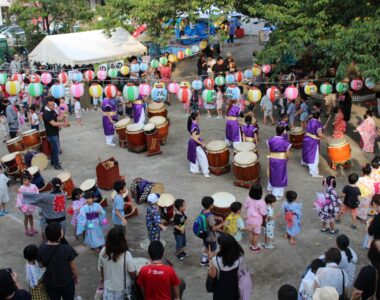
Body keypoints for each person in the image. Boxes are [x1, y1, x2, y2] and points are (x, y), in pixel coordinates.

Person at [37, 222, 79, 300]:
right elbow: (73, 267)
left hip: (51, 282)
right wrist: (76, 277)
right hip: (66, 282)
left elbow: (41, 264)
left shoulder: (41, 248)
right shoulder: (67, 249)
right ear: (60, 234)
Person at [98, 227, 137, 300]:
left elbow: (101, 268)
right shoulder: (126, 255)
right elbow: (132, 273)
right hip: (123, 290)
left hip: (108, 289)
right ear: (122, 241)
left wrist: (103, 279)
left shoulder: (103, 251)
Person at [208, 234, 245, 300]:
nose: (219, 247)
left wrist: (210, 258)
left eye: (220, 246)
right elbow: (241, 270)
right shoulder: (240, 256)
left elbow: (212, 275)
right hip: (234, 286)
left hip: (220, 290)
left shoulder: (216, 260)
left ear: (224, 248)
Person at [43, 97, 68, 170]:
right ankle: (56, 164)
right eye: (51, 105)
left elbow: (58, 118)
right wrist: (64, 124)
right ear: (47, 105)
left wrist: (64, 115)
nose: (53, 106)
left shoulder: (52, 110)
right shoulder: (46, 113)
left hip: (55, 133)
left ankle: (53, 162)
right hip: (51, 134)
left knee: (54, 149)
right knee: (56, 149)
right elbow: (53, 123)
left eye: (53, 104)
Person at [267, 126, 292, 199]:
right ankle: (277, 194)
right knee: (280, 176)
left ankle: (270, 189)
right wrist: (288, 158)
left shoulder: (271, 140)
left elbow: (270, 149)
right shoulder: (285, 141)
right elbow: (287, 153)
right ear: (282, 132)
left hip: (272, 159)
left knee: (272, 173)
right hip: (281, 161)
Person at [200, 196, 224, 266]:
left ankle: (203, 261)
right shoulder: (210, 216)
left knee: (206, 247)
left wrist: (217, 217)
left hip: (204, 234)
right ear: (210, 206)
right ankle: (210, 264)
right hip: (210, 236)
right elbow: (213, 228)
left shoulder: (203, 211)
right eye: (212, 204)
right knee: (213, 250)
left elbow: (209, 216)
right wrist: (222, 224)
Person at [301, 112, 325, 178]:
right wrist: (326, 137)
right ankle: (314, 173)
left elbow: (309, 128)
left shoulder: (310, 121)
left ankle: (305, 162)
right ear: (319, 117)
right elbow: (320, 134)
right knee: (314, 157)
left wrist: (322, 127)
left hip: (306, 139)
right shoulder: (318, 123)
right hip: (313, 142)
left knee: (306, 152)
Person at [244, 184, 267, 252]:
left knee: (250, 233)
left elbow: (245, 206)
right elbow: (263, 212)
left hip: (249, 218)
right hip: (257, 221)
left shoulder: (248, 197)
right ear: (260, 192)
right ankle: (254, 247)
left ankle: (252, 244)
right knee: (256, 234)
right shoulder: (261, 202)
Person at [187, 112, 210, 177]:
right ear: (196, 117)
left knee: (194, 156)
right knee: (203, 157)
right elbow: (194, 138)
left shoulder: (194, 123)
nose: (200, 115)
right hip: (195, 144)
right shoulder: (194, 126)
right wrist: (201, 143)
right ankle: (205, 172)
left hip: (192, 143)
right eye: (199, 115)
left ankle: (194, 170)